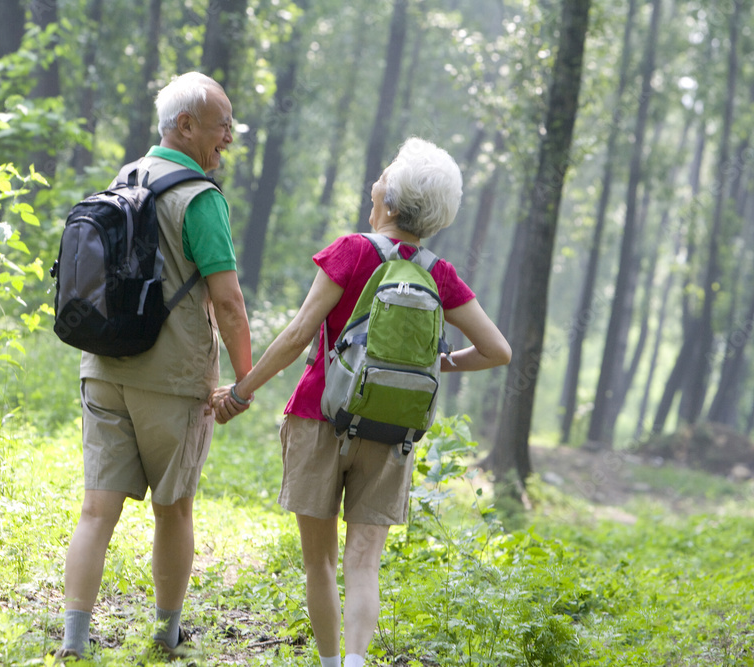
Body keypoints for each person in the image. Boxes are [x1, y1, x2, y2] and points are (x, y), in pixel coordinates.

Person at [212, 137, 511, 667]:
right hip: (392, 430)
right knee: (364, 562)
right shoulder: (439, 275)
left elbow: (298, 333)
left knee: (319, 563)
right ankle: (356, 661)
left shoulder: (351, 250)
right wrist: (424, 364)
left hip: (319, 416)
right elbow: (497, 350)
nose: (375, 182)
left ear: (390, 201)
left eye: (383, 175)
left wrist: (241, 390)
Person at [54, 72, 252, 662]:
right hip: (171, 381)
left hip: (103, 366)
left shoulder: (124, 179)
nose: (229, 140)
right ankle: (166, 632)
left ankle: (74, 639)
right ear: (185, 125)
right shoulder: (200, 198)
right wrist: (244, 379)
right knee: (174, 509)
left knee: (96, 509)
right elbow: (229, 303)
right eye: (222, 126)